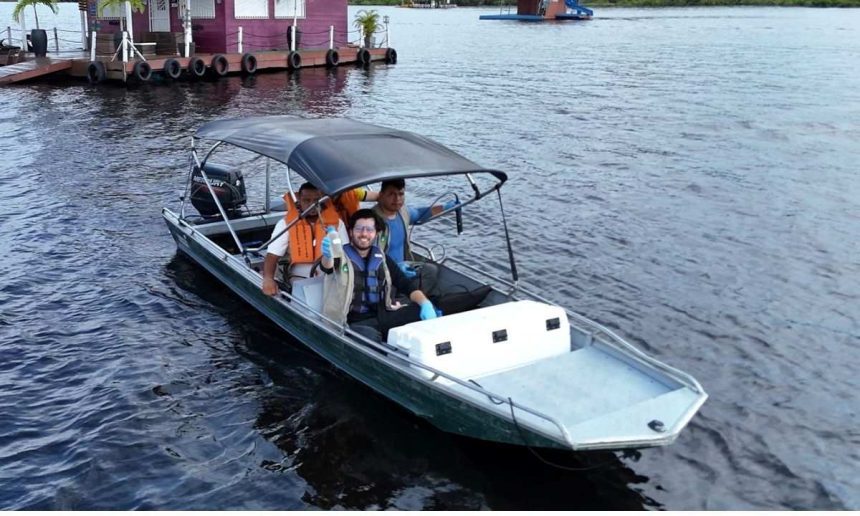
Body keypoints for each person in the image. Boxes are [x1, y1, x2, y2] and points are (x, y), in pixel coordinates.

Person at [319, 209, 438, 341]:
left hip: (382, 315)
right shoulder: (340, 256)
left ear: (376, 233)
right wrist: (327, 254)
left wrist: (425, 304)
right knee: (370, 336)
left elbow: (406, 285)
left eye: (369, 229)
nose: (364, 234)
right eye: (359, 229)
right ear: (351, 232)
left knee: (422, 311)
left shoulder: (382, 258)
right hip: (351, 322)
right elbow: (327, 266)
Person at [372, 179, 458, 296]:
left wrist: (446, 207)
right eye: (391, 194)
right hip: (383, 272)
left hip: (405, 266)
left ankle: (411, 299)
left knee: (431, 271)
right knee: (390, 289)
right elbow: (369, 255)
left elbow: (420, 213)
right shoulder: (371, 220)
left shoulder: (403, 212)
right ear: (381, 195)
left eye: (401, 194)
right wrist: (392, 269)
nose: (397, 199)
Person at [261, 183, 348, 296]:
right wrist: (268, 279)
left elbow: (347, 253)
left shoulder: (337, 224)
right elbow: (272, 255)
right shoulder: (286, 224)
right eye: (306, 200)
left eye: (316, 200)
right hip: (298, 281)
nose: (312, 205)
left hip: (329, 279)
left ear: (323, 201)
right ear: (299, 202)